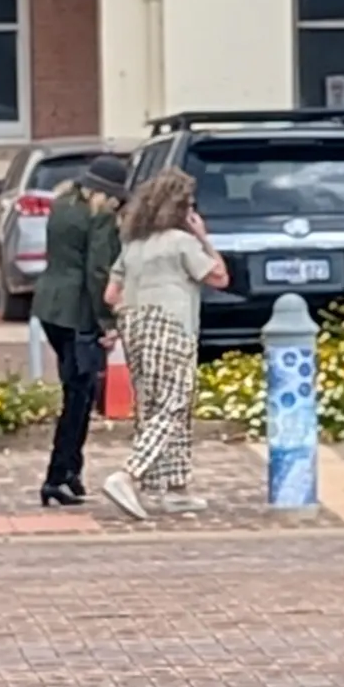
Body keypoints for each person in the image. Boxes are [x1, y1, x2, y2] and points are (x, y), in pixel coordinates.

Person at [98, 165, 226, 520]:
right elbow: (219, 276)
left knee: (155, 406)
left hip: (136, 324)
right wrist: (204, 237)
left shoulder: (133, 244)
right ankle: (128, 474)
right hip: (173, 325)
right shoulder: (182, 242)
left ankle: (175, 486)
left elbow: (111, 294)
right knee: (175, 403)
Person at [29, 155, 128, 508]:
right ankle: (56, 476)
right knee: (79, 397)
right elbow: (98, 271)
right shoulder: (99, 217)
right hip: (78, 312)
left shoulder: (62, 205)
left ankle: (72, 470)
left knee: (76, 388)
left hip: (49, 306)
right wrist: (108, 320)